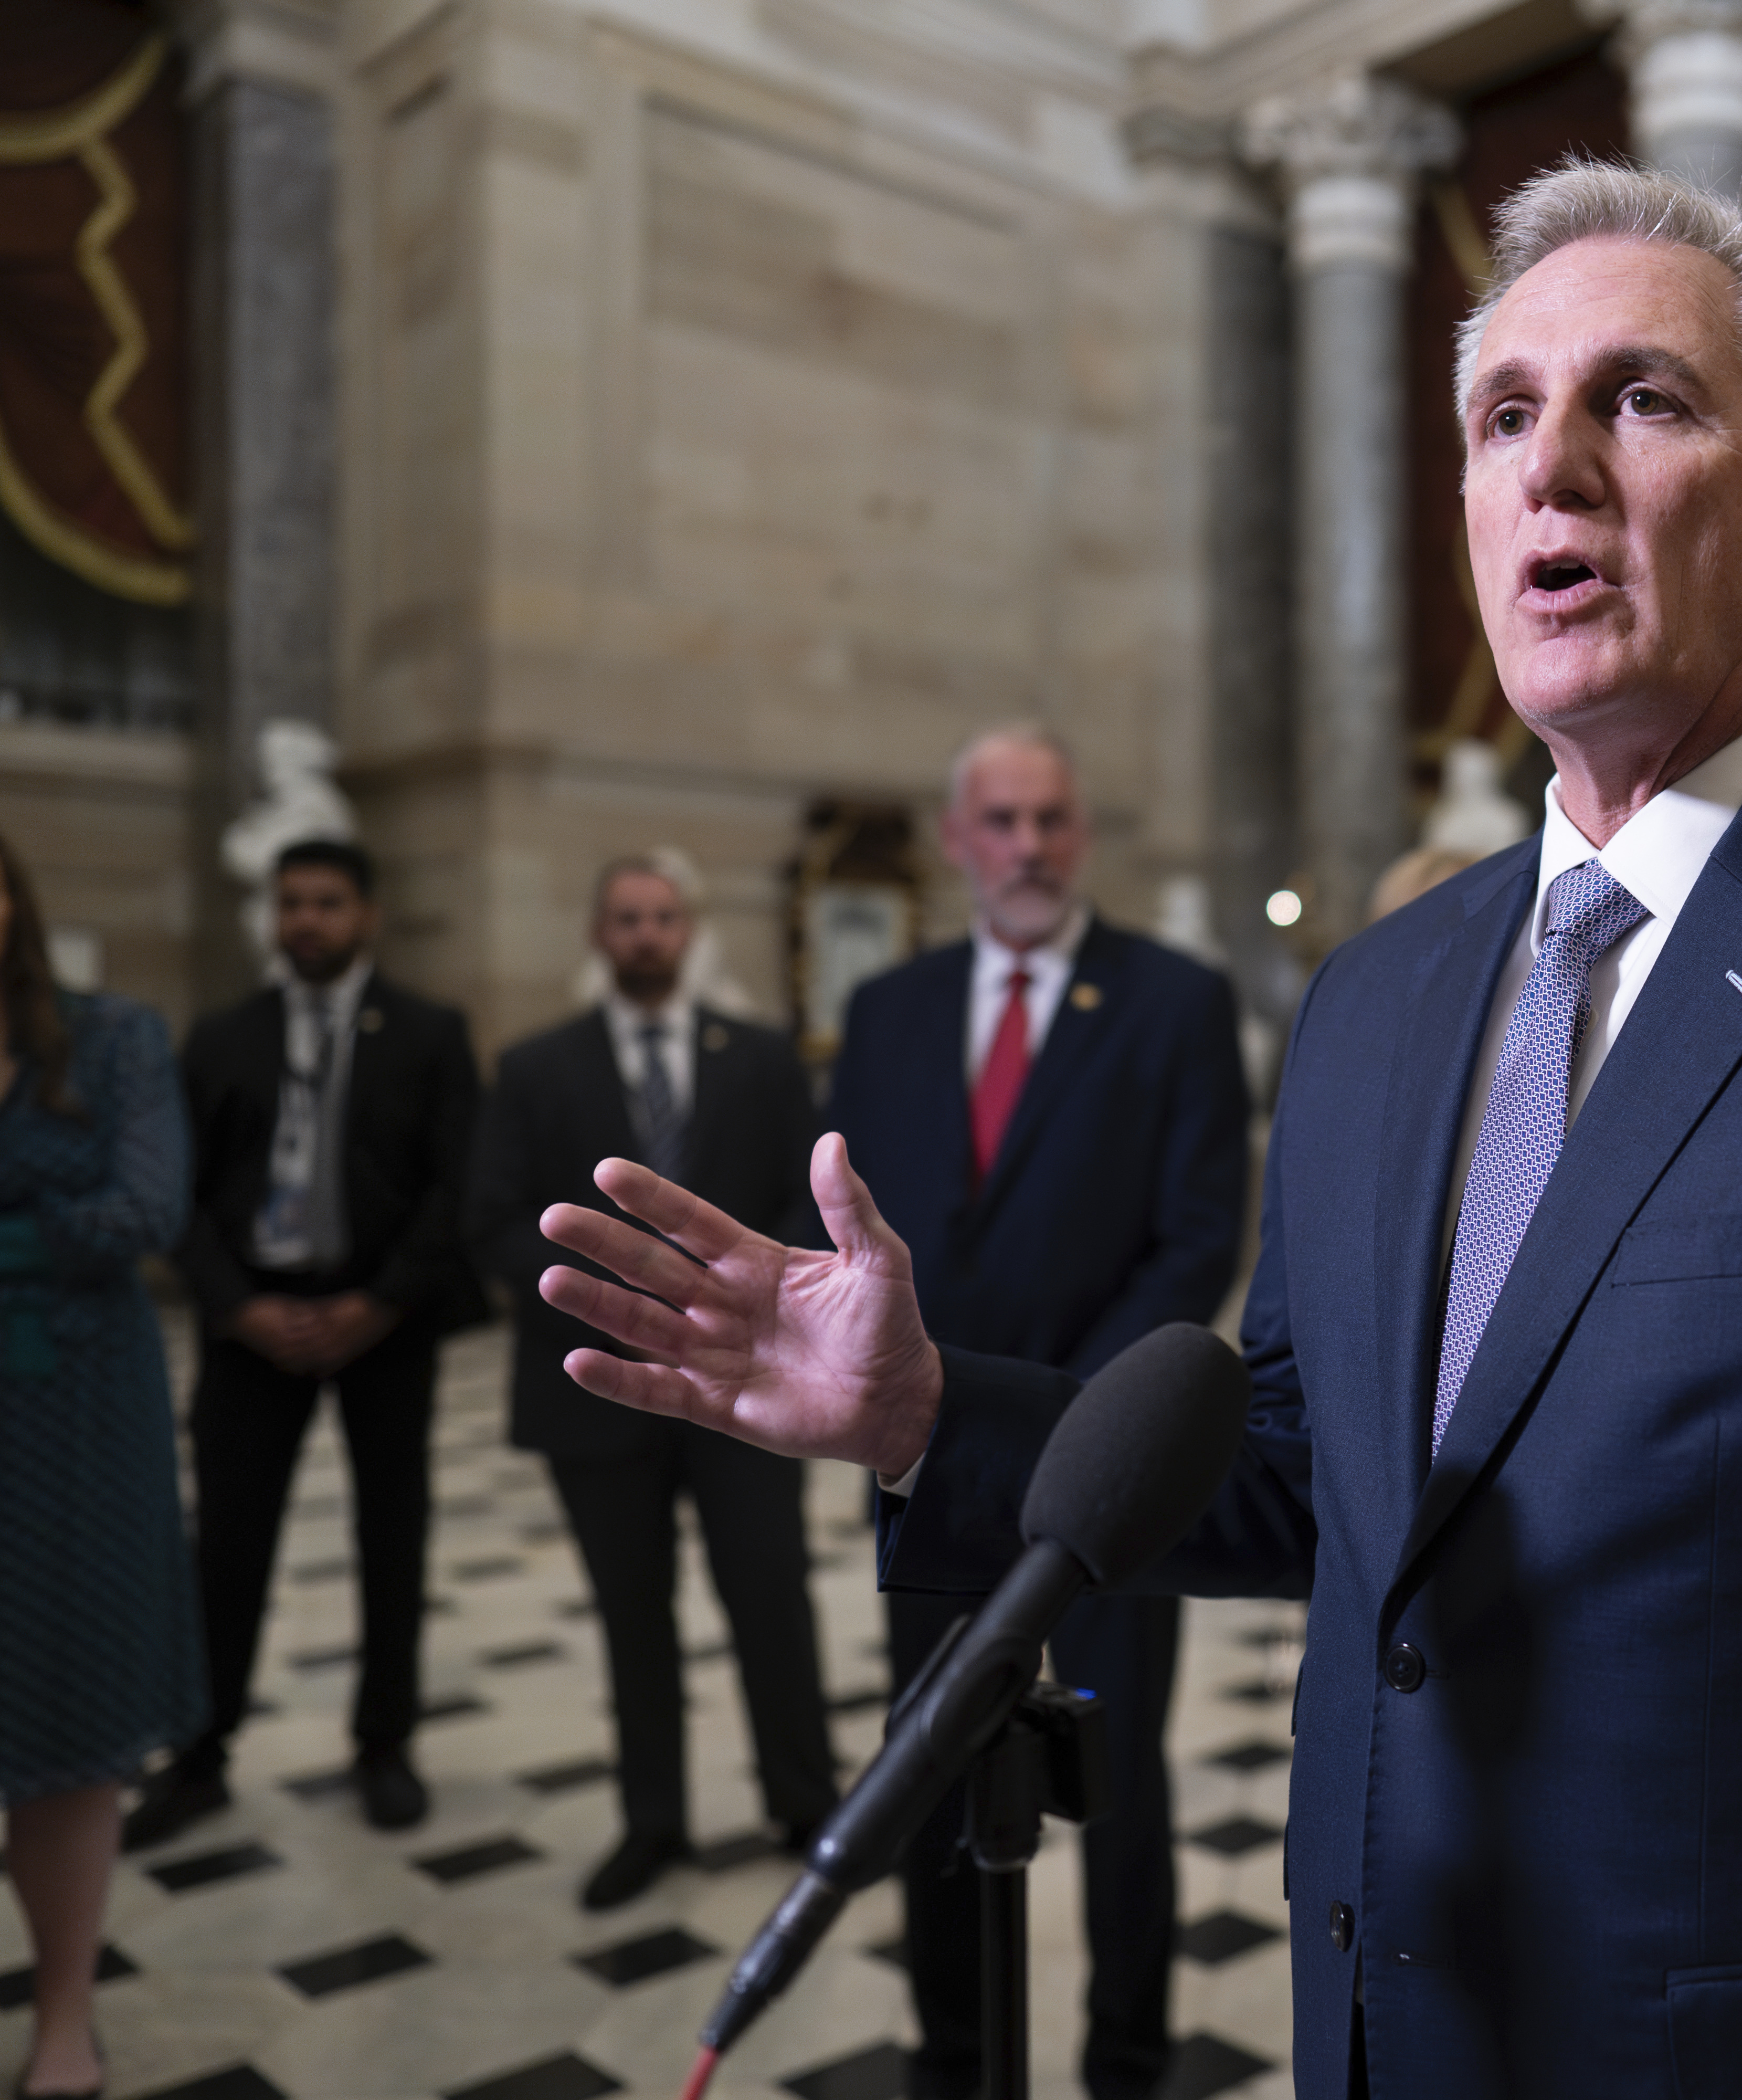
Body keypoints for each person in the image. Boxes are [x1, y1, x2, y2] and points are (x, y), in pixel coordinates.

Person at [539, 165, 1742, 2098]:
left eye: (1645, 402)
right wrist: (927, 1414)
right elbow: (1321, 1466)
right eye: (1507, 419)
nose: (1555, 468)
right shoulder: (1383, 995)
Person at [822, 728, 1249, 2100]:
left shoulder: (1175, 1000)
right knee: (933, 1771)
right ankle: (955, 2066)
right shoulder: (887, 1011)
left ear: (1083, 834)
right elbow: (844, 1237)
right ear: (957, 839)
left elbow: (1197, 1240)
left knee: (1119, 1793)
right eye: (999, 821)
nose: (1027, 846)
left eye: (1052, 819)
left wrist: (1061, 1424)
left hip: (1115, 1469)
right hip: (929, 1474)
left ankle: (1127, 2064)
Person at [465, 850, 840, 1910]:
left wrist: (738, 1305)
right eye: (626, 917)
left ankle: (806, 1803)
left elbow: (805, 1207)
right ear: (600, 934)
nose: (645, 934)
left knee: (770, 1595)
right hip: (597, 1387)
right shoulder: (538, 1067)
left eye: (664, 916)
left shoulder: (764, 1059)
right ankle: (652, 1820)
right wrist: (611, 1302)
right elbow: (490, 1217)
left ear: (691, 930)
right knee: (633, 1611)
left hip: (744, 1391)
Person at [129, 837, 484, 1849]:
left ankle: (385, 1744)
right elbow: (176, 1190)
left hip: (384, 1318)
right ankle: (200, 1755)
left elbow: (455, 1187)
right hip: (254, 1320)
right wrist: (236, 1305)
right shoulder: (223, 1035)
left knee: (391, 1536)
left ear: (367, 913)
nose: (307, 923)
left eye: (328, 903)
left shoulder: (429, 1031)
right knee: (229, 1544)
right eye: (292, 905)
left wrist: (379, 1303)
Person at [0, 838, 195, 2099]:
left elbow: (146, 1212)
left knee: (70, 1721)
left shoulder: (110, 1037)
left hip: (75, 1420)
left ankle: (65, 2007)